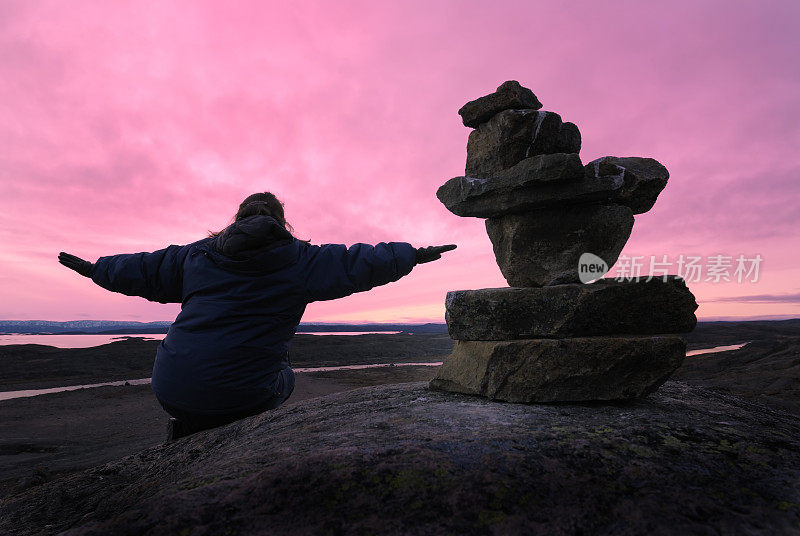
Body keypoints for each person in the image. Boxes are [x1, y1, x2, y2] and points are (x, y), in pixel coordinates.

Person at [57, 192, 456, 440]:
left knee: (208, 384)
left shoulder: (195, 255)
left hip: (170, 389)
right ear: (282, 222)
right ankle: (240, 433)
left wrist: (95, 268)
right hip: (244, 395)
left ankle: (188, 431)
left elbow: (140, 269)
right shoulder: (302, 260)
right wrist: (414, 254)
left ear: (237, 218)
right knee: (284, 376)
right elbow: (361, 262)